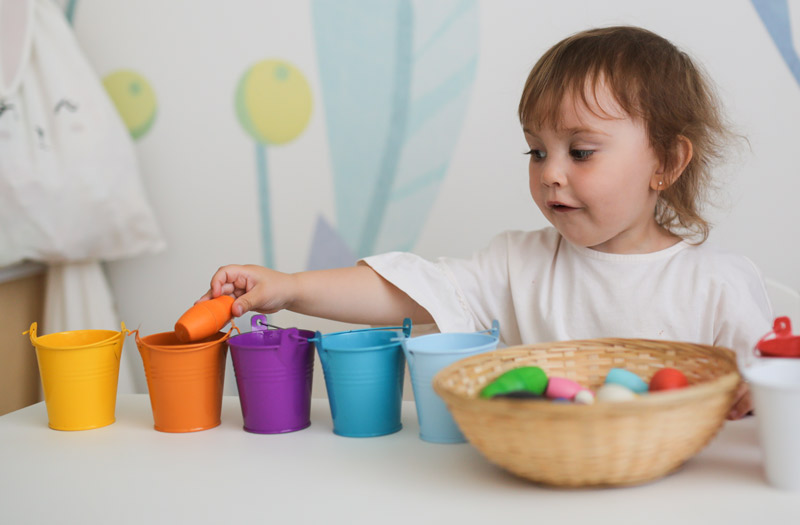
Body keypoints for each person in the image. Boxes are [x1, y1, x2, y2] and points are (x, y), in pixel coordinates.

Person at [199, 26, 773, 419]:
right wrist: (289, 287)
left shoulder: (718, 285)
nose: (550, 173)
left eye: (580, 152)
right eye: (536, 151)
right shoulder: (516, 263)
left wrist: (757, 393)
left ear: (667, 163)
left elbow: (774, 396)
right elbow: (404, 289)